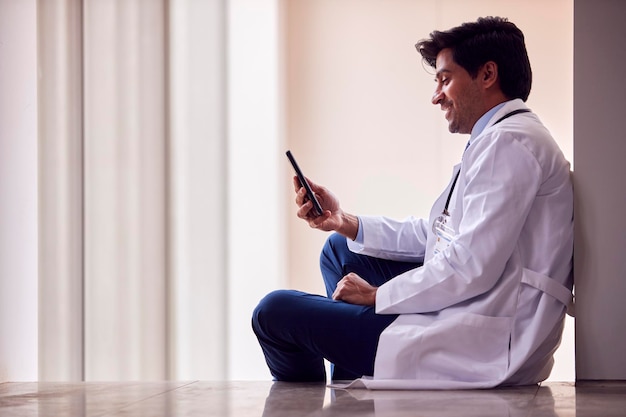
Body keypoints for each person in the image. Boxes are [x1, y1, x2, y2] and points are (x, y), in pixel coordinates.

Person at [252, 16, 573, 389]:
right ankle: (351, 377)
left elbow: (471, 265)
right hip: (472, 309)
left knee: (273, 313)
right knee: (339, 248)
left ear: (487, 75)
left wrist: (377, 296)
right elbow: (441, 235)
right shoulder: (501, 139)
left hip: (483, 339)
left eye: (444, 79)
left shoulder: (510, 145)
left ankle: (326, 389)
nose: (436, 96)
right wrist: (344, 221)